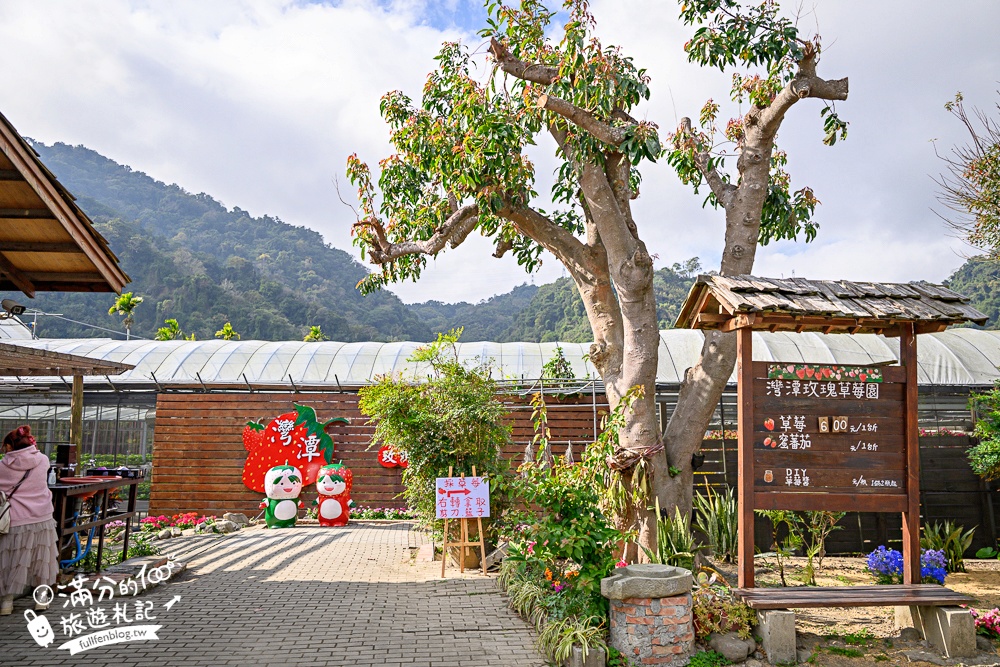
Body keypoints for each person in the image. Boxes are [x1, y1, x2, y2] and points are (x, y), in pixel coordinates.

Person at [0, 425, 58, 615]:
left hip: (15, 519)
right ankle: (41, 600)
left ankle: (6, 603)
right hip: (42, 516)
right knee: (42, 559)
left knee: (10, 561)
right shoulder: (42, 460)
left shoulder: (2, 466)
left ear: (9, 447)